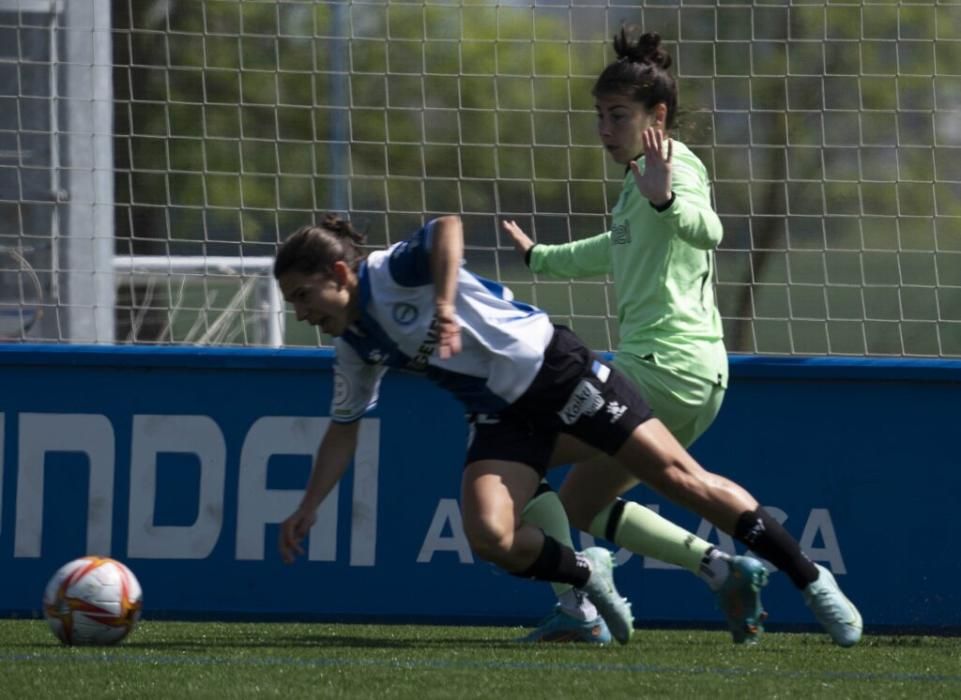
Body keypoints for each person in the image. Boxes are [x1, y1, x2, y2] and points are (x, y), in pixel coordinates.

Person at [274, 213, 863, 649]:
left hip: (556, 371)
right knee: (489, 535)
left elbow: (448, 227)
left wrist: (447, 302)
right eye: (292, 302)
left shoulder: (386, 272)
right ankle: (586, 574)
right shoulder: (353, 347)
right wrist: (308, 505)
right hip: (500, 416)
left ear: (340, 272)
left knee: (682, 479)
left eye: (303, 295)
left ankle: (812, 581)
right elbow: (344, 429)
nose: (301, 312)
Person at [502, 27, 862, 647]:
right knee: (589, 504)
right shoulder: (639, 181)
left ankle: (579, 600)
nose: (604, 129)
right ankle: (753, 572)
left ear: (656, 116)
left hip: (659, 368)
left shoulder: (672, 170)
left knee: (514, 443)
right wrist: (541, 259)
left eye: (617, 116)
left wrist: (668, 200)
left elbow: (709, 229)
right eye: (600, 116)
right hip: (698, 374)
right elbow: (614, 250)